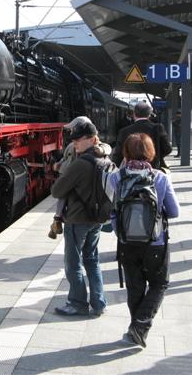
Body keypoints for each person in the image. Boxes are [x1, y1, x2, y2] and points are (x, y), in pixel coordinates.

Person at [107, 133, 179, 347]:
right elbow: (174, 212)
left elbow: (112, 211)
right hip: (155, 242)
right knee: (160, 283)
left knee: (134, 287)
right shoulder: (160, 177)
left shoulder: (115, 177)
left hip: (127, 243)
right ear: (151, 152)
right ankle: (140, 325)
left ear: (126, 153)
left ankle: (135, 329)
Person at [51, 121, 111, 316]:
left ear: (92, 139)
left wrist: (63, 174)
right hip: (96, 219)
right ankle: (99, 302)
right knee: (92, 260)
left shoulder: (80, 164)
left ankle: (77, 302)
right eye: (74, 139)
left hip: (77, 220)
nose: (75, 142)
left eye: (79, 139)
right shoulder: (107, 160)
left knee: (73, 263)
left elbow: (57, 190)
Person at [49, 116, 111, 239]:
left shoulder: (87, 149)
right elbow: (65, 158)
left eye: (74, 130)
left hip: (78, 213)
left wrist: (60, 167)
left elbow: (106, 147)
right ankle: (57, 219)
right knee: (91, 254)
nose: (72, 133)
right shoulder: (77, 146)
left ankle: (57, 218)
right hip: (94, 210)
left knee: (62, 192)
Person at [113, 102, 172, 169]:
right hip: (153, 168)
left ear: (134, 114)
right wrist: (156, 157)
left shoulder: (124, 131)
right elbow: (168, 149)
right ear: (149, 115)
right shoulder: (158, 128)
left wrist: (115, 169)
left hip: (130, 170)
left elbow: (118, 155)